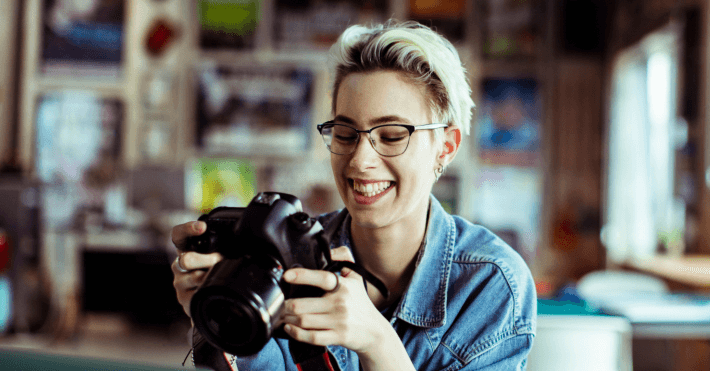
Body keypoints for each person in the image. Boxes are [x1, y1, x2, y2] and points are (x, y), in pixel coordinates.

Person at [171, 20, 537, 370]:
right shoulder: (286, 259)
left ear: (446, 146)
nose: (360, 161)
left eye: (392, 135)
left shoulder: (491, 285)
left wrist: (376, 341)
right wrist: (218, 317)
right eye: (345, 134)